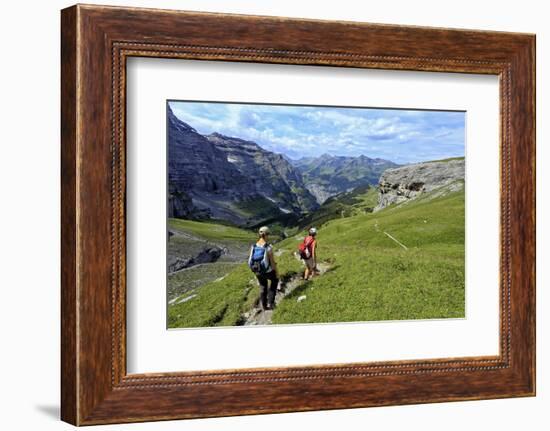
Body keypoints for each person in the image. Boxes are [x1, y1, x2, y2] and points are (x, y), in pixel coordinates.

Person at [248, 226, 279, 310]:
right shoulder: (268, 247)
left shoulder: (253, 246)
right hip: (267, 270)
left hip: (257, 270)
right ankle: (271, 303)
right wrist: (276, 272)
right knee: (274, 280)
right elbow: (272, 263)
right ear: (266, 235)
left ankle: (264, 306)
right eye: (268, 234)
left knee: (263, 286)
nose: (268, 236)